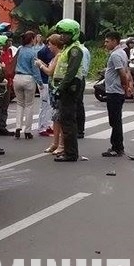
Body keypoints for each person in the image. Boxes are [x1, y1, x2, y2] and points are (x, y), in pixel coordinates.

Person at [50, 19, 85, 162]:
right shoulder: (67, 48)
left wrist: (61, 87)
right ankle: (69, 152)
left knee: (68, 121)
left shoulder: (75, 50)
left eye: (65, 34)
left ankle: (70, 154)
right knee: (65, 120)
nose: (62, 37)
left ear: (74, 34)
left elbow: (71, 72)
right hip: (64, 87)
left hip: (70, 88)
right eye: (61, 34)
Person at [101, 32, 134, 157]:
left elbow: (122, 72)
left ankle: (117, 147)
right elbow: (127, 70)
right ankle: (115, 145)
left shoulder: (116, 55)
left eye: (107, 41)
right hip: (115, 90)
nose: (105, 44)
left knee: (115, 120)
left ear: (114, 41)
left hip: (114, 91)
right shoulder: (122, 53)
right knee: (115, 120)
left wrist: (125, 86)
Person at [9, 31, 42, 139]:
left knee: (20, 104)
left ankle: (18, 127)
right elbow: (35, 69)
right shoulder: (33, 53)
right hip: (28, 78)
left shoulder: (19, 50)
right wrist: (40, 82)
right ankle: (27, 130)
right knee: (29, 105)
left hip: (17, 78)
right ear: (32, 39)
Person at [36, 34, 66, 155]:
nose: (48, 47)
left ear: (55, 44)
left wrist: (40, 65)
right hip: (53, 89)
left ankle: (60, 144)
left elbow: (50, 72)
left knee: (59, 117)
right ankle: (55, 143)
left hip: (57, 89)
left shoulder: (59, 56)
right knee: (55, 117)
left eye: (50, 44)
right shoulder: (55, 56)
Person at [0, 34, 12, 137]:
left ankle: (2, 126)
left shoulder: (9, 51)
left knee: (5, 106)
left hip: (7, 82)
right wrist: (4, 69)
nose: (10, 42)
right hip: (0, 85)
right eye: (7, 41)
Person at [36, 37, 55, 136]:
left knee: (49, 105)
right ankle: (42, 127)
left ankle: (47, 125)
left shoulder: (46, 51)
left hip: (46, 80)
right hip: (44, 81)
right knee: (45, 105)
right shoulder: (45, 52)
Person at [77, 36, 91, 138]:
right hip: (81, 78)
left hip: (79, 78)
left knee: (78, 104)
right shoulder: (84, 50)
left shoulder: (81, 50)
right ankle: (79, 129)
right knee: (78, 104)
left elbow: (83, 67)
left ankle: (79, 130)